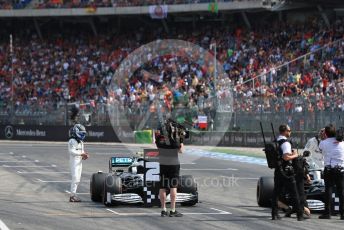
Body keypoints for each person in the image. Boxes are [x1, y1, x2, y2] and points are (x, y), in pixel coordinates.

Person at [271, 124, 304, 221]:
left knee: (276, 192)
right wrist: (295, 155)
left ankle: (274, 214)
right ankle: (299, 215)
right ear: (285, 131)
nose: (290, 132)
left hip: (278, 170)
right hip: (287, 171)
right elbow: (286, 157)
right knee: (294, 193)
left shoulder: (276, 141)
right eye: (289, 130)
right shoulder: (285, 143)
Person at [155, 119, 185, 217]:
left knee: (162, 187)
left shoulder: (159, 138)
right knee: (173, 187)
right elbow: (181, 151)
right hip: (173, 164)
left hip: (163, 163)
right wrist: (181, 140)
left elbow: (158, 147)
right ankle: (172, 210)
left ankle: (163, 209)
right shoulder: (174, 139)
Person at [318, 124, 344, 219]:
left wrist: (322, 137)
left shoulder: (323, 143)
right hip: (340, 169)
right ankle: (343, 213)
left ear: (326, 133)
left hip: (329, 169)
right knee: (341, 192)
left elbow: (320, 149)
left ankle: (327, 213)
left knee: (328, 190)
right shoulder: (342, 143)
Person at [68, 123, 89, 202]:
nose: (83, 135)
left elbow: (82, 152)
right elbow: (71, 151)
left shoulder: (81, 142)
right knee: (75, 177)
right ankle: (72, 196)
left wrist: (84, 156)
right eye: (81, 133)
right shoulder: (71, 141)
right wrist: (81, 154)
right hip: (74, 161)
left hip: (79, 161)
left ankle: (73, 195)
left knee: (78, 179)